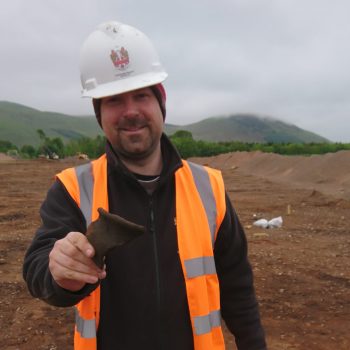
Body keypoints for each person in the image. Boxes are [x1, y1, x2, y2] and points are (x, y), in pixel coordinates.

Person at [23, 21, 267, 350]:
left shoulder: (208, 187)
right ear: (99, 114)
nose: (131, 111)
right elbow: (38, 270)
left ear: (161, 103)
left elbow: (237, 285)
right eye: (113, 100)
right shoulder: (72, 188)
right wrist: (59, 270)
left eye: (141, 95)